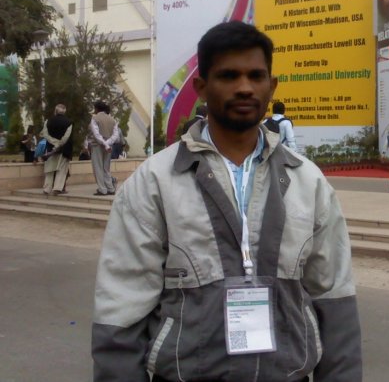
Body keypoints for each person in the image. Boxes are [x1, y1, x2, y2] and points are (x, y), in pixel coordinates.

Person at [92, 21, 362, 382]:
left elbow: (334, 296)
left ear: (272, 85)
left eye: (256, 75)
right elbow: (121, 305)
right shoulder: (155, 182)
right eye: (228, 75)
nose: (245, 87)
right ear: (202, 87)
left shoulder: (307, 182)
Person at [40, 104, 73, 196]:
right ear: (64, 111)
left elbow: (45, 134)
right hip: (64, 149)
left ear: (55, 111)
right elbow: (66, 136)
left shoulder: (47, 121)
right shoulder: (69, 122)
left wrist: (53, 143)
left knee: (49, 169)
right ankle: (57, 188)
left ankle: (47, 189)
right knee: (62, 170)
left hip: (50, 149)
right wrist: (59, 144)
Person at [87, 101, 119, 196]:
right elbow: (115, 135)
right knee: (106, 168)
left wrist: (104, 144)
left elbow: (96, 134)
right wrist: (108, 144)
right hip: (109, 146)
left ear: (96, 109)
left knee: (98, 167)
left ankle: (102, 189)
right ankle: (110, 188)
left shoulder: (95, 118)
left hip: (97, 145)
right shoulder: (112, 119)